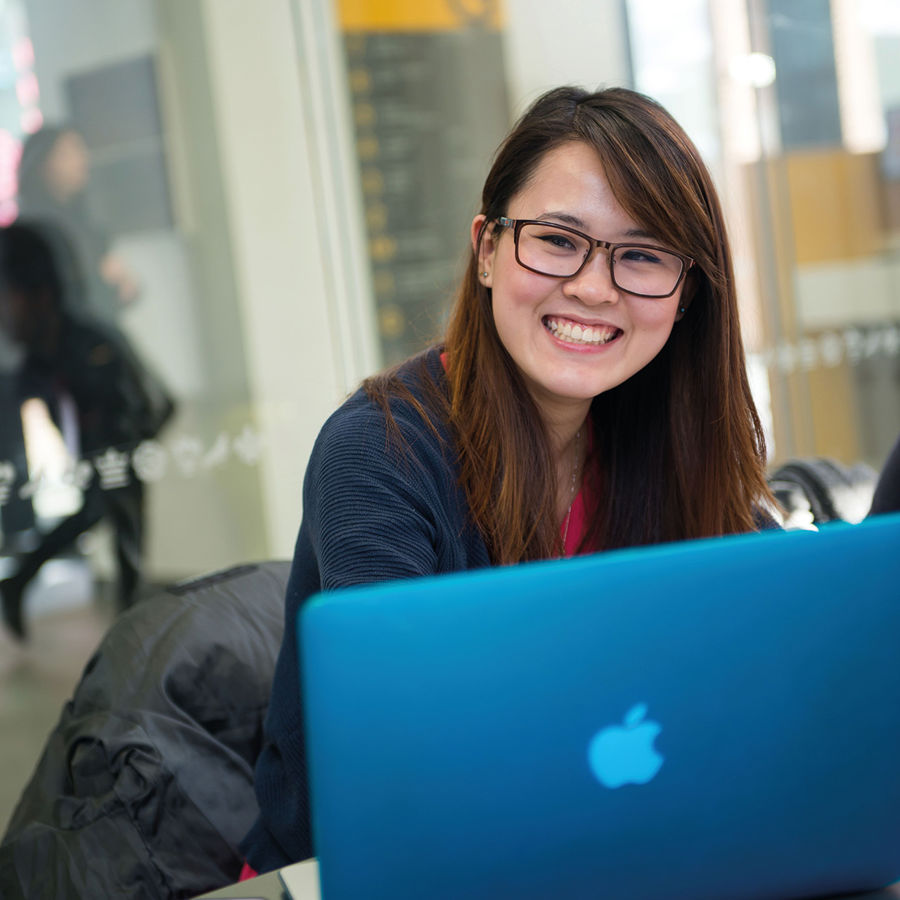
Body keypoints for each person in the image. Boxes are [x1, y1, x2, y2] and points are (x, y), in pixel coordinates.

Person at [240, 85, 777, 873]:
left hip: (618, 848)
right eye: (559, 240)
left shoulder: (666, 444)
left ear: (686, 293)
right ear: (487, 251)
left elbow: (769, 662)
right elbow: (409, 762)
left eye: (642, 254)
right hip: (378, 874)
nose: (596, 287)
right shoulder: (380, 452)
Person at [0, 221, 174, 641]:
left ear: (40, 296)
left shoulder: (88, 344)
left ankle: (132, 633)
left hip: (121, 450)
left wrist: (134, 442)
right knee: (104, 520)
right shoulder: (40, 357)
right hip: (109, 454)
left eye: (7, 297)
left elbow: (158, 401)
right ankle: (129, 628)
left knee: (118, 527)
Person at [16, 125, 140, 325]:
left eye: (81, 151)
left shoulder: (86, 224)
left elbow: (123, 286)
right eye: (68, 153)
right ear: (42, 163)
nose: (82, 161)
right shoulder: (32, 232)